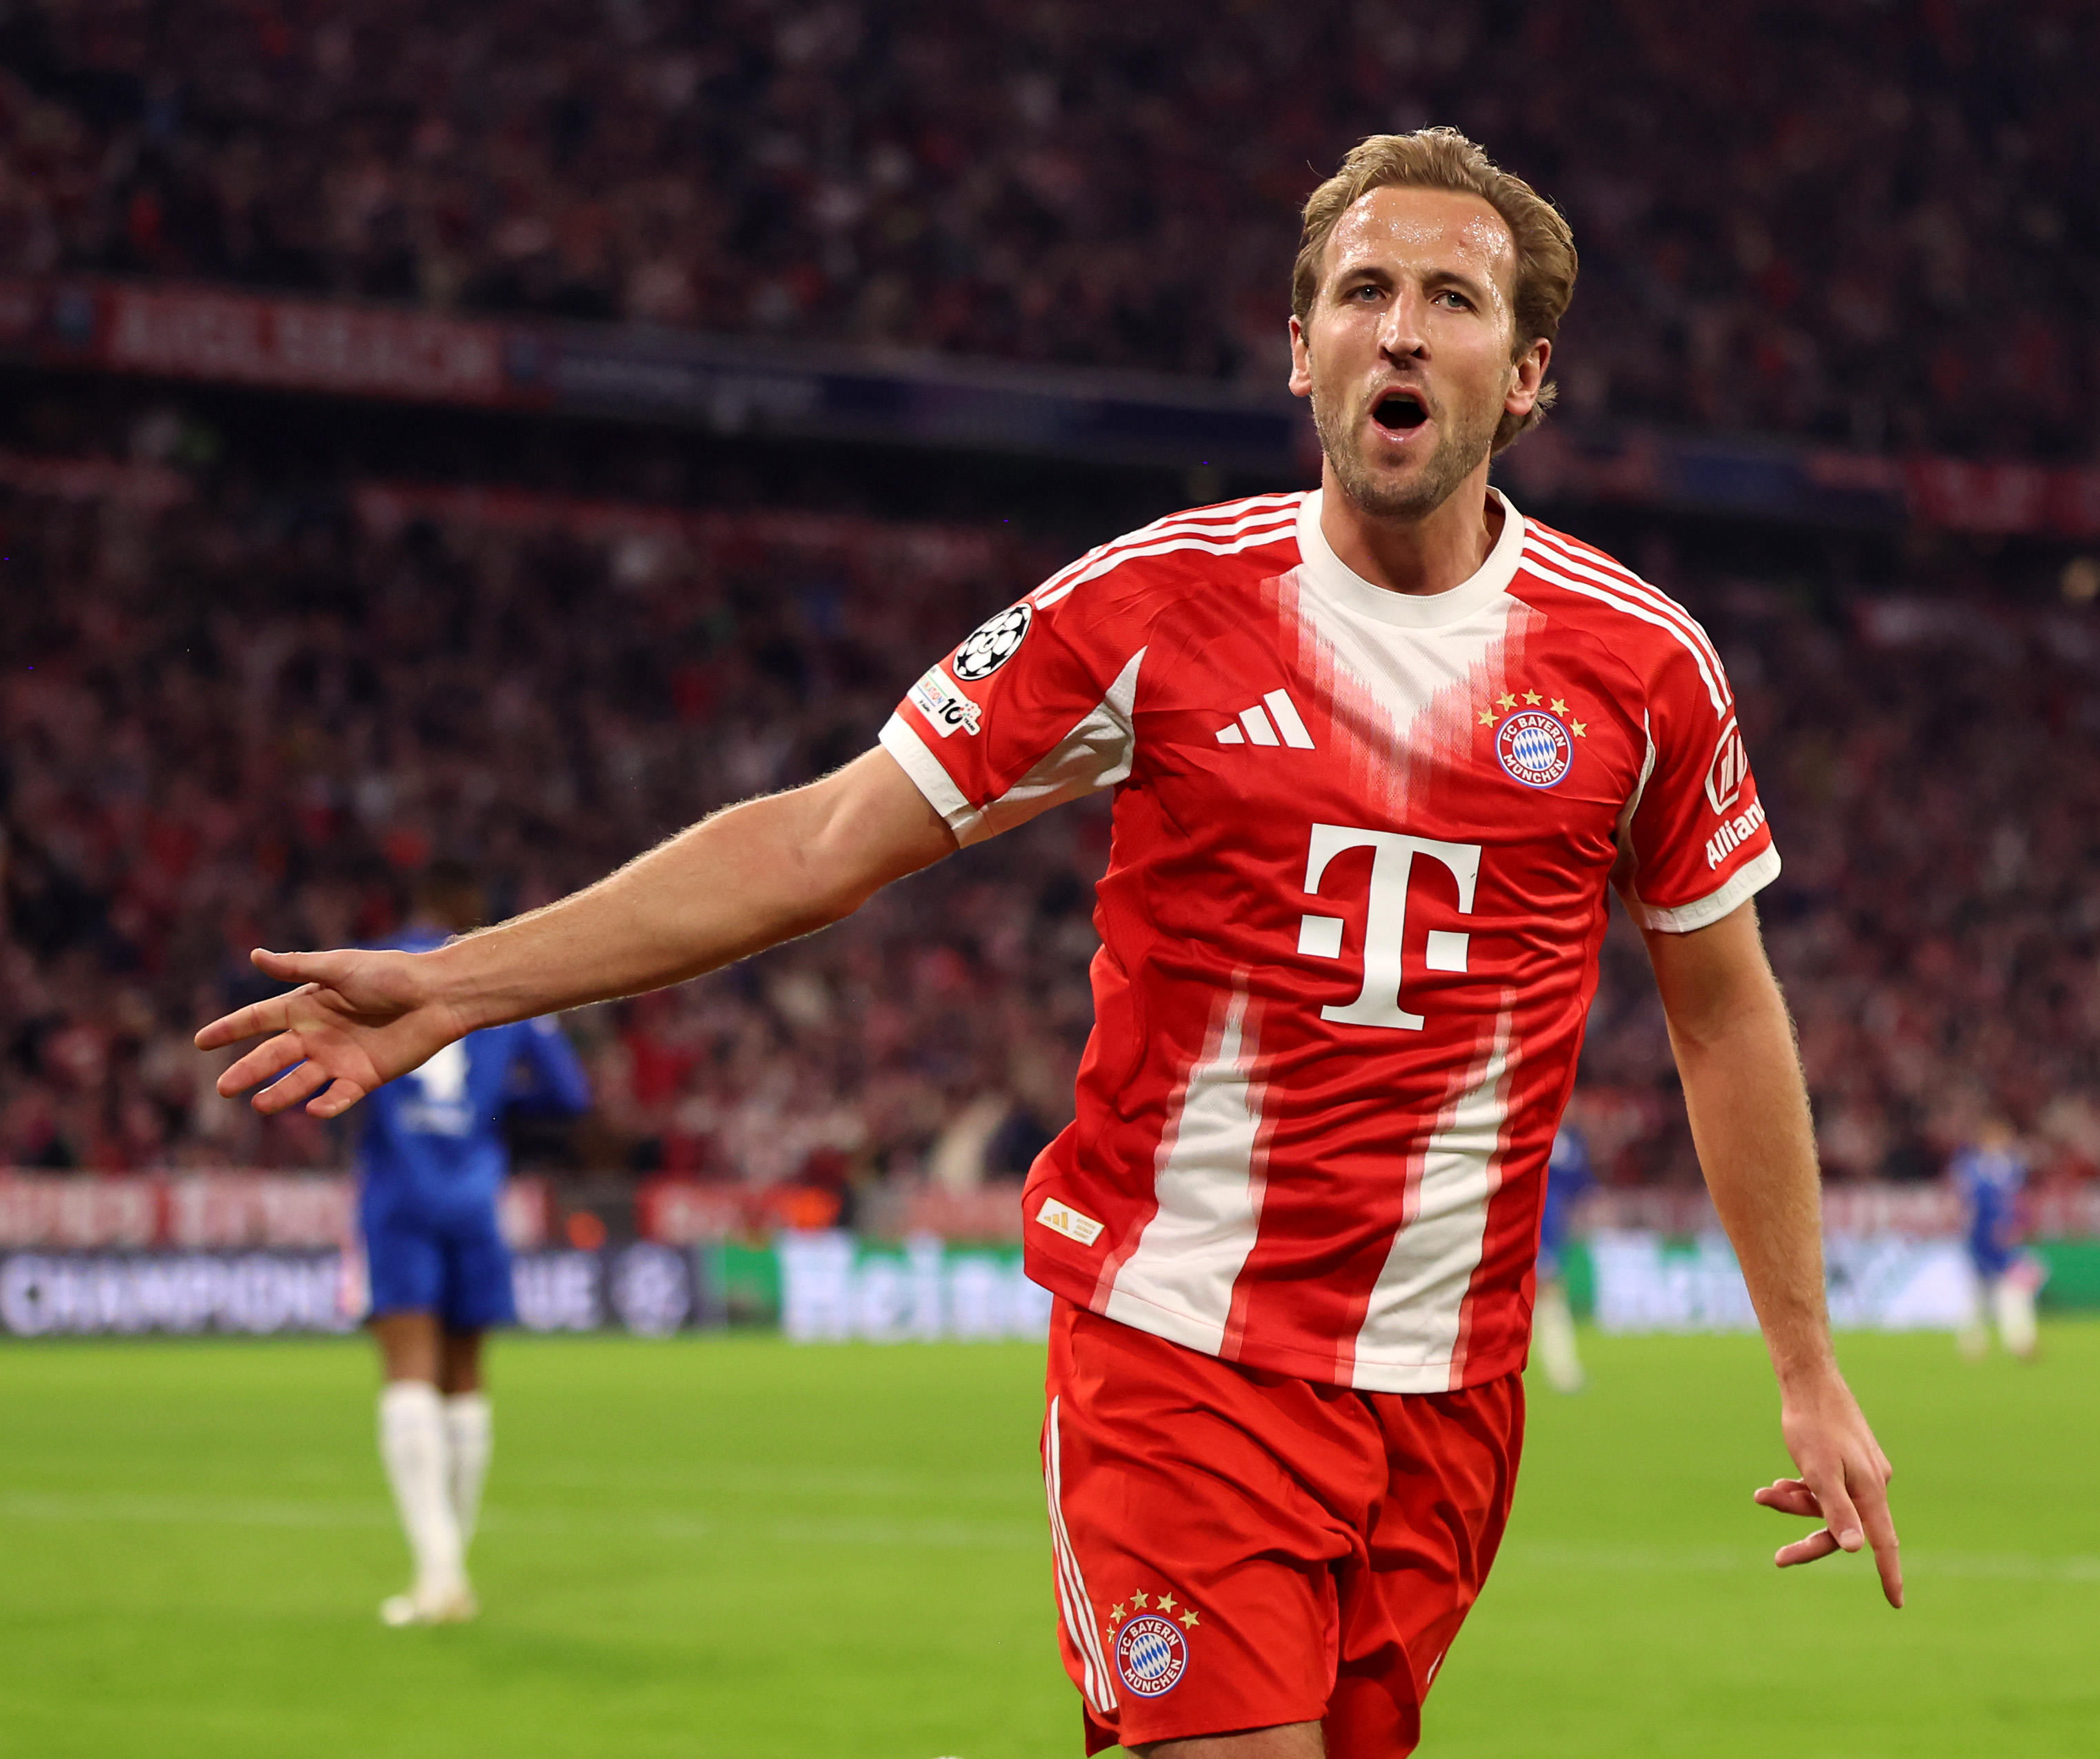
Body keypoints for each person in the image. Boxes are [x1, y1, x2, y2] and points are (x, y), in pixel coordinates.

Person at [195, 128, 1899, 1755]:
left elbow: (1722, 1014)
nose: (1401, 326)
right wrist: (455, 984)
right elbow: (814, 841)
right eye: (1361, 289)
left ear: (1522, 376)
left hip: (1443, 1393)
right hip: (1175, 1349)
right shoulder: (1150, 606)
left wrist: (1805, 1369)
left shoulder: (1640, 666)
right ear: (1294, 350)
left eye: (1453, 299)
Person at [352, 861, 592, 1625]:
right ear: (474, 905)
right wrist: (495, 1099)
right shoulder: (504, 979)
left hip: (399, 1191)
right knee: (465, 1374)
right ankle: (450, 1568)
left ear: (418, 899)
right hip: (474, 1193)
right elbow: (570, 1095)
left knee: (408, 1369)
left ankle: (438, 1574)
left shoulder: (376, 964)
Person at [1949, 1115, 2037, 1362]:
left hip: (2004, 1238)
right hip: (1979, 1236)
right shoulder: (1971, 1167)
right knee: (1976, 1294)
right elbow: (1967, 1203)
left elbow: (2016, 1202)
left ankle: (2020, 1342)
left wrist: (2016, 1226)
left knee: (2014, 1289)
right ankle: (1973, 1345)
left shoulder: (2011, 1167)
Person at [1530, 1123, 1596, 1394]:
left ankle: (1561, 1369)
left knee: (1547, 1299)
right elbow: (1583, 1186)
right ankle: (1562, 1371)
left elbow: (1582, 1187)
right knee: (1550, 1300)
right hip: (1536, 1230)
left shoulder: (1557, 1137)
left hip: (1544, 1230)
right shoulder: (1563, 1141)